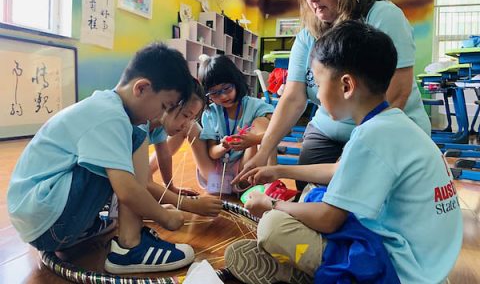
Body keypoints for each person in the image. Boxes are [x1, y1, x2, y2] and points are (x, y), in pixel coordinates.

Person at [225, 21, 463, 284]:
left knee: (272, 226)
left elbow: (329, 220)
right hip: (432, 264)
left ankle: (302, 272)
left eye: (317, 82)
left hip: (401, 270)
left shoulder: (371, 135)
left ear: (346, 85)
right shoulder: (393, 122)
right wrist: (278, 170)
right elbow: (342, 171)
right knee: (311, 194)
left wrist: (272, 205)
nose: (316, 93)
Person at [233, 0, 431, 190]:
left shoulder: (383, 16)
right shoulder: (308, 35)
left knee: (358, 191)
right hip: (330, 128)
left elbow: (397, 92)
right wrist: (265, 150)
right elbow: (293, 97)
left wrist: (357, 148)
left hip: (386, 125)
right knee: (310, 184)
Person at [7, 43, 198, 274]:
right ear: (142, 88)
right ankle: (130, 247)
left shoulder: (106, 105)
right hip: (47, 218)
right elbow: (127, 190)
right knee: (133, 140)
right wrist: (165, 217)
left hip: (42, 222)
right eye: (164, 106)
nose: (160, 115)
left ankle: (92, 227)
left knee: (125, 145)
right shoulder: (111, 116)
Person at [145, 77, 223, 217]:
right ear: (169, 103)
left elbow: (164, 155)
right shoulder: (139, 126)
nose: (186, 124)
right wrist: (189, 205)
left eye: (191, 118)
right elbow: (144, 182)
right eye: (186, 115)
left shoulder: (157, 126)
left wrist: (170, 188)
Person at [198, 54, 275, 194]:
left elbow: (281, 130)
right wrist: (223, 146)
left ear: (236, 82)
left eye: (226, 89)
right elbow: (212, 153)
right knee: (192, 128)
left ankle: (272, 182)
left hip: (245, 169)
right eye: (214, 94)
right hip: (217, 171)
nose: (223, 96)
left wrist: (253, 140)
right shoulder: (210, 113)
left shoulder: (254, 105)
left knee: (262, 122)